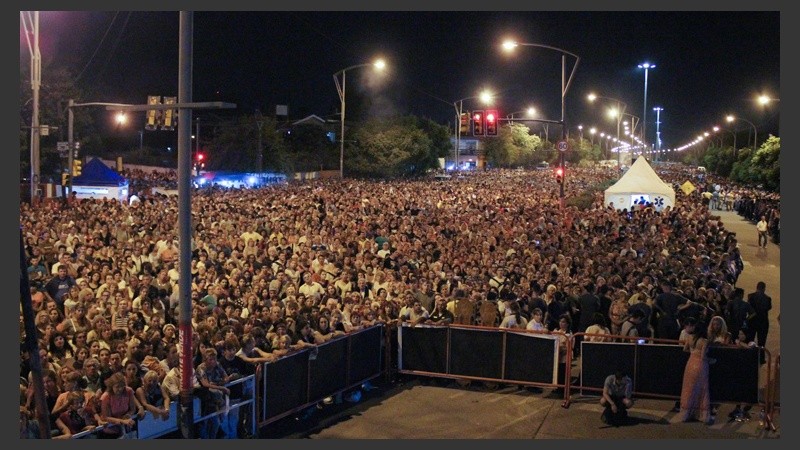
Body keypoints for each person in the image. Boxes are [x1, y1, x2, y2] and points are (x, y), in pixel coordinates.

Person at [678, 317, 713, 424]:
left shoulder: (689, 337)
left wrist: (693, 352)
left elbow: (685, 349)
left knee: (688, 388)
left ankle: (686, 413)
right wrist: (712, 360)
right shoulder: (704, 341)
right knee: (701, 388)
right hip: (701, 365)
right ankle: (702, 415)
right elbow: (703, 357)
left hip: (690, 363)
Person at [747, 281, 772, 362]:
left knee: (750, 340)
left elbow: (749, 307)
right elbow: (768, 308)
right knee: (762, 341)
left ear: (756, 287)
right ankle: (761, 358)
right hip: (763, 322)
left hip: (752, 321)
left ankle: (749, 357)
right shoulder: (768, 298)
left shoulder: (750, 296)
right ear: (764, 289)